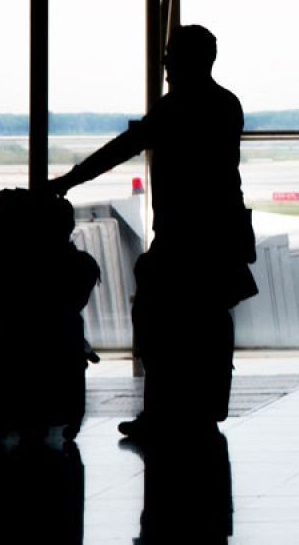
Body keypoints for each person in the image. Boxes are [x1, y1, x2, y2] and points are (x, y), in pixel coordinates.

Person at [47, 25, 257, 440]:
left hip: (182, 235)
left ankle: (162, 411)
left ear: (188, 60)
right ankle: (205, 406)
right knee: (208, 322)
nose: (165, 63)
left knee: (157, 320)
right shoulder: (225, 105)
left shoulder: (176, 108)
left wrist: (71, 179)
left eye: (170, 55)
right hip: (218, 232)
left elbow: (125, 146)